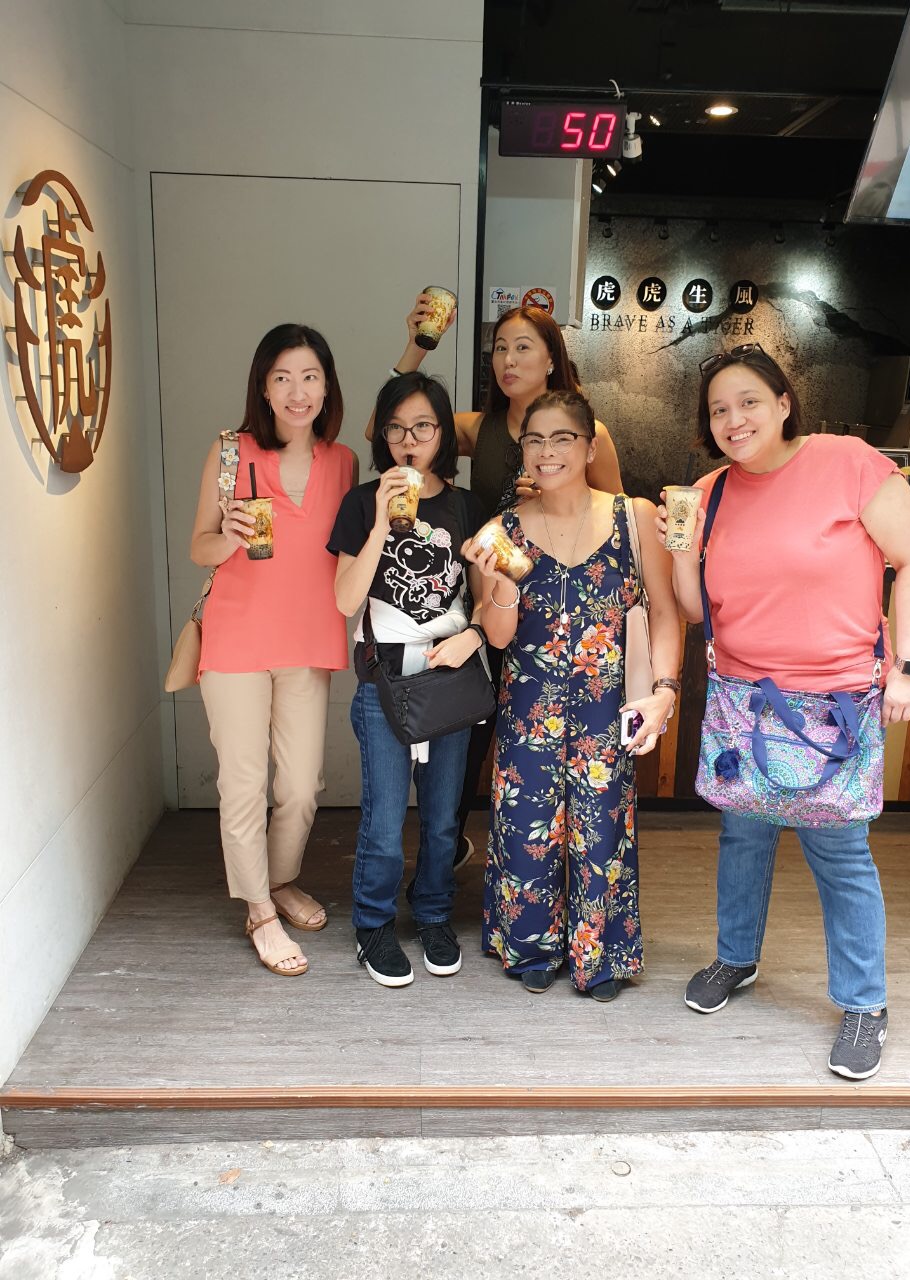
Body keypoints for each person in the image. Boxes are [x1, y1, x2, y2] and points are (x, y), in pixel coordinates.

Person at [658, 342, 910, 1078]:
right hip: (741, 699)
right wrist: (680, 548)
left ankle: (865, 1003)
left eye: (749, 401)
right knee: (742, 836)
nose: (734, 419)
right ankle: (736, 958)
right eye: (719, 409)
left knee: (839, 854)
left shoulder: (849, 464)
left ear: (784, 403)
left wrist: (909, 668)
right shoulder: (710, 492)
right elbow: (694, 609)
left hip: (834, 703)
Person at [370, 296, 625, 870]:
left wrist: (558, 497)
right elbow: (385, 427)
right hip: (486, 600)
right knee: (472, 727)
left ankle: (562, 861)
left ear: (553, 359)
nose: (508, 360)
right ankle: (447, 859)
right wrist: (417, 345)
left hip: (562, 608)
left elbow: (614, 515)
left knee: (559, 739)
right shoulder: (477, 427)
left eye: (523, 348)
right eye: (499, 349)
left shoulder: (591, 434)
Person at [465, 390, 681, 1001]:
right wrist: (502, 580)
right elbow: (498, 635)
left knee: (603, 831)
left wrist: (665, 689)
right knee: (525, 829)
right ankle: (531, 944)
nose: (547, 451)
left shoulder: (633, 518)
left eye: (563, 438)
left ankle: (601, 955)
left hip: (607, 707)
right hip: (528, 705)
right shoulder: (502, 530)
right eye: (534, 440)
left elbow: (665, 612)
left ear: (589, 447)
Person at [190, 323, 356, 976]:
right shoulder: (231, 451)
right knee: (243, 781)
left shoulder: (343, 462)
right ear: (263, 386)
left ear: (326, 386)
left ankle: (280, 878)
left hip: (309, 640)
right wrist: (229, 536)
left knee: (301, 785)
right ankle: (259, 908)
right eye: (283, 377)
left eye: (310, 377)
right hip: (236, 638)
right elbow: (199, 547)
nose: (297, 391)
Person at [329, 372, 487, 988]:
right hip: (385, 677)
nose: (408, 441)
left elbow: (484, 597)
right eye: (396, 429)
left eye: (422, 427)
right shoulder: (360, 501)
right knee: (385, 818)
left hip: (449, 675)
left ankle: (433, 913)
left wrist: (475, 635)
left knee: (444, 818)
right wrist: (378, 521)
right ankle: (373, 924)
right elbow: (345, 600)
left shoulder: (467, 507)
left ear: (443, 433)